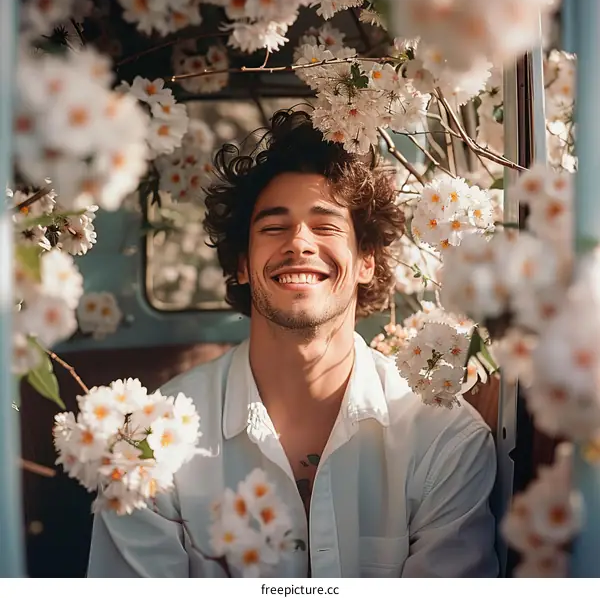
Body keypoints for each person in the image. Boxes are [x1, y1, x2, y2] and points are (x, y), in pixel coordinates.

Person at [87, 109, 498, 578]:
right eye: (274, 227)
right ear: (242, 264)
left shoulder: (443, 437)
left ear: (366, 262)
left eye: (326, 226)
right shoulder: (148, 441)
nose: (300, 242)